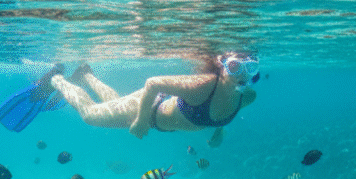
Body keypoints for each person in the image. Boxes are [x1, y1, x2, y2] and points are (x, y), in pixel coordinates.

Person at [50, 52, 259, 143]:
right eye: (234, 67)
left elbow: (227, 107)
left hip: (156, 115)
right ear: (222, 67)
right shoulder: (202, 86)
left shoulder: (247, 97)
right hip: (149, 109)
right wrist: (141, 121)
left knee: (110, 104)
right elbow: (152, 83)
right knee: (90, 115)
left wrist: (219, 131)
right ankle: (56, 78)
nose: (242, 74)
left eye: (250, 67)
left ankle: (85, 74)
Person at [0, 63, 67, 132]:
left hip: (37, 95)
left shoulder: (38, 91)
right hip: (37, 95)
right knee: (36, 96)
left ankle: (57, 73)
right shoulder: (38, 93)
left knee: (36, 95)